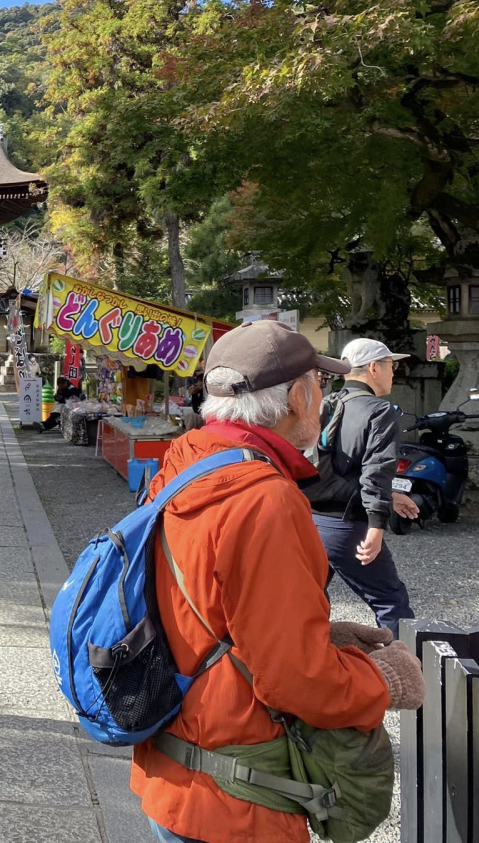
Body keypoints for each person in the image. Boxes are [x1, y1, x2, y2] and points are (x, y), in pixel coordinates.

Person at [133, 321, 423, 843]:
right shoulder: (266, 498)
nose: (323, 396)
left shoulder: (183, 464)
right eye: (318, 383)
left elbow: (207, 603)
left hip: (174, 760)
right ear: (296, 396)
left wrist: (321, 633)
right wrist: (382, 682)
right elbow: (296, 679)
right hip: (237, 790)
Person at [306, 338, 416, 637]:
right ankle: (412, 672)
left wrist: (390, 496)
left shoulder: (324, 403)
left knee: (309, 603)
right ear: (373, 367)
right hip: (346, 523)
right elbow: (376, 471)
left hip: (308, 519)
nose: (394, 372)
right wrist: (377, 526)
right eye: (391, 365)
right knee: (391, 602)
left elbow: (336, 469)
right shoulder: (379, 411)